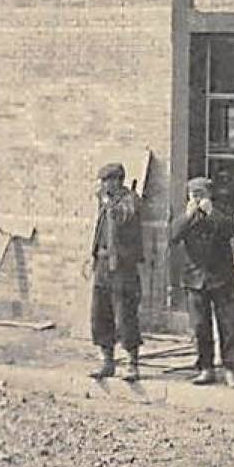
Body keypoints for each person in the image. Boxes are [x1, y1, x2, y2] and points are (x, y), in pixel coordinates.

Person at [170, 176, 234, 388]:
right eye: (193, 194)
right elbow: (172, 236)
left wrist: (212, 212)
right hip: (195, 278)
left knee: (229, 326)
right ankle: (206, 368)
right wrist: (187, 215)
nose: (196, 198)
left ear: (209, 195)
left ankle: (231, 369)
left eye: (200, 194)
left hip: (222, 278)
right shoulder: (185, 215)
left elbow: (231, 229)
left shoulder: (221, 211)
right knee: (200, 326)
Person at [88, 161, 143, 382]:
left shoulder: (130, 200)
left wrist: (108, 204)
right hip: (103, 265)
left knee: (125, 315)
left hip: (122, 267)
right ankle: (107, 361)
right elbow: (100, 232)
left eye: (105, 181)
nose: (102, 186)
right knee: (100, 314)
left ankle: (132, 364)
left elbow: (122, 217)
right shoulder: (106, 202)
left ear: (116, 181)